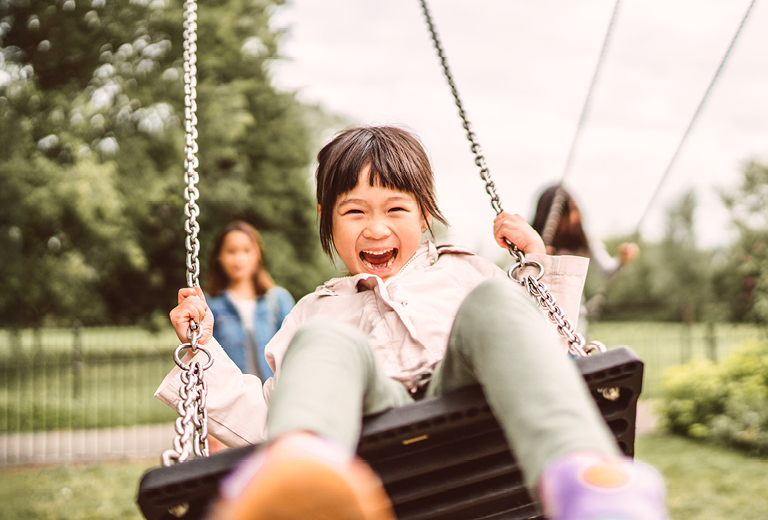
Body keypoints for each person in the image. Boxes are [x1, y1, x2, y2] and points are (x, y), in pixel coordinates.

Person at [158, 127, 666, 520]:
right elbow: (266, 416)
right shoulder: (313, 310)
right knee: (324, 340)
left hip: (467, 408)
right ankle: (301, 474)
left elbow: (540, 360)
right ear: (327, 219)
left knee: (496, 302)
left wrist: (540, 270)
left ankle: (586, 480)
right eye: (353, 211)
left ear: (423, 213)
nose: (375, 227)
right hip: (370, 430)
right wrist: (203, 353)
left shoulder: (466, 271)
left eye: (395, 208)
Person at [532, 185, 639, 333]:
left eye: (574, 210)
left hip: (573, 319)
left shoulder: (584, 241)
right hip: (538, 315)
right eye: (566, 213)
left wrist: (621, 260)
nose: (573, 218)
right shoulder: (534, 241)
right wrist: (537, 256)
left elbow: (608, 271)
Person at [205, 221, 295, 379]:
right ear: (219, 257)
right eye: (231, 251)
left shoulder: (278, 300)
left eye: (246, 251)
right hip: (231, 398)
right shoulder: (210, 304)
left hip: (274, 397)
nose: (239, 258)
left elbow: (294, 351)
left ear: (257, 255)